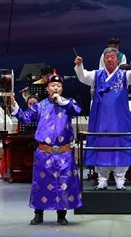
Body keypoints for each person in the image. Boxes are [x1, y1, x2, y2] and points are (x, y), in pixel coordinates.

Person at [9, 73, 83, 225]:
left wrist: (62, 102)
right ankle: (38, 214)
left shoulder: (68, 104)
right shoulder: (40, 106)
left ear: (62, 89)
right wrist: (15, 106)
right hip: (44, 152)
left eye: (59, 86)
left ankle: (61, 215)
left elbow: (77, 111)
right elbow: (25, 118)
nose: (55, 88)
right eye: (52, 85)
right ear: (47, 88)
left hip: (64, 152)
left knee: (63, 183)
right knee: (41, 183)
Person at [74, 49, 131, 190]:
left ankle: (120, 179)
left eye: (112, 57)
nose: (110, 59)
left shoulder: (124, 75)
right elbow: (83, 76)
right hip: (101, 118)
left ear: (118, 60)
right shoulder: (97, 75)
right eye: (107, 57)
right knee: (101, 145)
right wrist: (79, 65)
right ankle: (102, 179)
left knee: (121, 145)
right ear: (103, 59)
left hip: (119, 119)